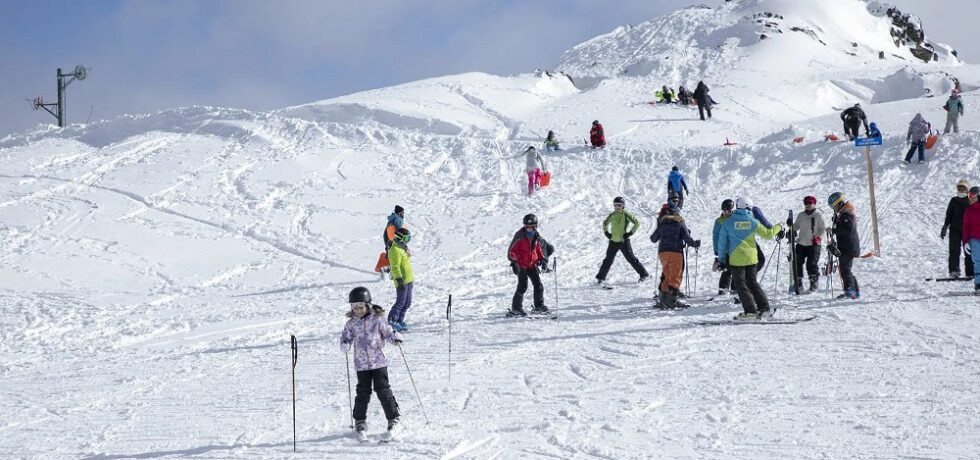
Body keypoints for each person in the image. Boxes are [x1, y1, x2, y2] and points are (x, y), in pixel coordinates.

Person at [341, 286, 403, 441]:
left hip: (379, 362)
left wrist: (395, 338)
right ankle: (359, 421)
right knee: (362, 392)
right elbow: (346, 337)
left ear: (367, 305)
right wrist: (345, 344)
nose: (358, 310)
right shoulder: (351, 324)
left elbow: (388, 333)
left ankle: (394, 419)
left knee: (383, 391)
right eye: (354, 307)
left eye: (360, 307)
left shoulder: (377, 320)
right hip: (361, 365)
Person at [717, 197, 783, 320]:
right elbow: (768, 234)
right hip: (752, 259)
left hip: (736, 260)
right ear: (748, 207)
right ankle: (764, 308)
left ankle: (750, 311)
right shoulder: (752, 221)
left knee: (741, 285)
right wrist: (779, 227)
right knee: (752, 283)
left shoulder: (728, 222)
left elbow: (722, 243)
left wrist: (721, 259)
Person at [650, 204, 700, 308]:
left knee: (666, 275)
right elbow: (687, 238)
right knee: (675, 277)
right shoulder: (680, 222)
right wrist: (695, 244)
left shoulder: (662, 223)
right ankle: (671, 300)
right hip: (675, 252)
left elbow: (653, 238)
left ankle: (662, 299)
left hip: (663, 253)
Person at [596, 197, 650, 287]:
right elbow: (605, 223)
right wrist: (607, 233)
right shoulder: (612, 215)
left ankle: (644, 275)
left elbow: (637, 223)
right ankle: (600, 278)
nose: (617, 207)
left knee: (631, 259)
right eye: (615, 205)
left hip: (623, 241)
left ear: (623, 206)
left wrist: (629, 233)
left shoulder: (626, 214)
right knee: (608, 260)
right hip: (613, 241)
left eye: (619, 205)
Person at [508, 214, 549, 316]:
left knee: (538, 285)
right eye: (527, 226)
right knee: (522, 286)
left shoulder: (536, 236)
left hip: (532, 265)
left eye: (531, 227)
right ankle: (516, 308)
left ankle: (539, 306)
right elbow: (512, 251)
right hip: (522, 265)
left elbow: (538, 249)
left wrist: (542, 259)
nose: (529, 229)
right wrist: (514, 262)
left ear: (535, 226)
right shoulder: (520, 236)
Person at [790, 196, 827, 293]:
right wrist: (792, 230)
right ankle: (798, 282)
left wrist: (818, 237)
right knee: (797, 262)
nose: (808, 205)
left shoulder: (819, 215)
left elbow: (823, 229)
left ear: (814, 204)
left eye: (810, 203)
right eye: (806, 203)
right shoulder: (801, 215)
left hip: (814, 244)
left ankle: (813, 283)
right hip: (801, 243)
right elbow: (796, 225)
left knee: (811, 264)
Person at [827, 192, 861, 299]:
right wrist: (836, 220)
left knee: (845, 270)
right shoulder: (845, 213)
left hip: (848, 247)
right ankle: (855, 291)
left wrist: (833, 230)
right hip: (848, 246)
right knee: (847, 270)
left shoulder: (846, 214)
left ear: (839, 204)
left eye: (834, 206)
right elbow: (845, 226)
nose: (834, 209)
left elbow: (847, 230)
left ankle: (850, 292)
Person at [942, 179, 975, 278]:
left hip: (968, 231)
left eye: (963, 188)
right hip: (955, 230)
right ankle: (954, 271)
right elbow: (949, 215)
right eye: (959, 188)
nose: (961, 190)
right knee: (954, 251)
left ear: (967, 190)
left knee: (969, 252)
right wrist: (945, 227)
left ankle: (970, 272)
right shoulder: (954, 200)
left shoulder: (971, 201)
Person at [387, 228, 414, 332]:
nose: (408, 240)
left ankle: (399, 320)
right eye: (406, 238)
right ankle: (392, 321)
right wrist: (399, 279)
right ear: (400, 238)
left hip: (409, 279)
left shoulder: (402, 247)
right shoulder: (394, 250)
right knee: (401, 302)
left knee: (407, 302)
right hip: (402, 281)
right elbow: (395, 267)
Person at [713, 199, 735, 296]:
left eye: (729, 211)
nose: (726, 213)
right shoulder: (719, 221)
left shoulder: (735, 220)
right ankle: (723, 290)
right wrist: (717, 252)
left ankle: (735, 291)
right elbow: (715, 237)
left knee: (736, 271)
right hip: (724, 251)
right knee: (726, 271)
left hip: (735, 250)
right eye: (724, 211)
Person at [961, 186, 980, 295]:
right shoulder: (969, 210)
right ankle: (978, 285)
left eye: (973, 195)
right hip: (974, 240)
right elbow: (966, 227)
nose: (971, 198)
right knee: (977, 262)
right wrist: (965, 242)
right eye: (969, 195)